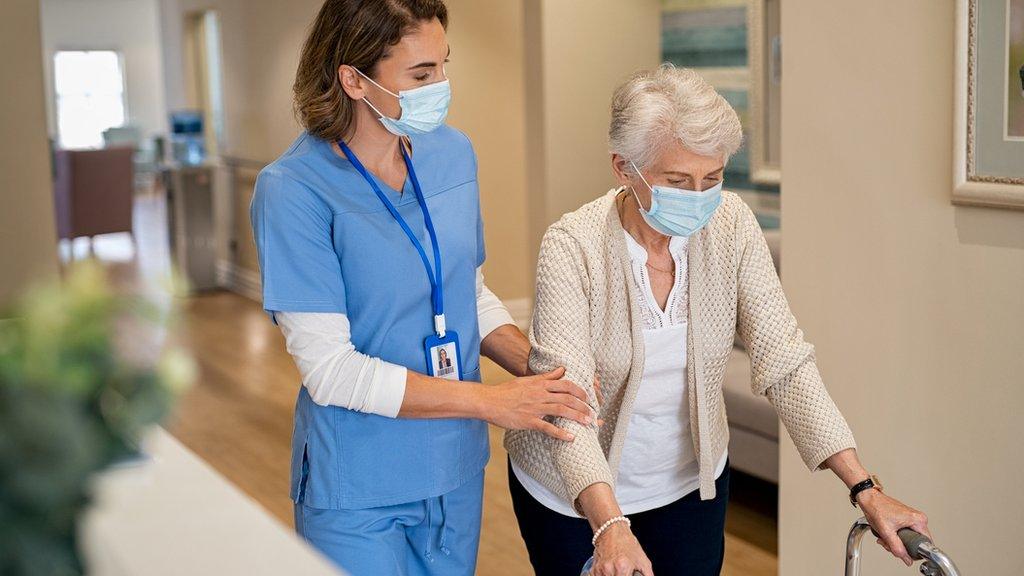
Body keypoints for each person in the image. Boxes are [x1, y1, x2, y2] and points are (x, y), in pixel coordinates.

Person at [504, 65, 932, 576]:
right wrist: (609, 525)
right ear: (624, 167)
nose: (699, 197)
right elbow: (566, 405)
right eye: (677, 180)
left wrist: (864, 488)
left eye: (712, 178)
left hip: (689, 485)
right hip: (572, 495)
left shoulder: (730, 224)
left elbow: (785, 361)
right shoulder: (572, 246)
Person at [249, 1, 593, 574]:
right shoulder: (293, 191)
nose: (442, 86)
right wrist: (492, 401)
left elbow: (468, 292)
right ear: (353, 79)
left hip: (453, 468)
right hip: (358, 481)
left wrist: (536, 368)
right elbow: (329, 369)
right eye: (421, 74)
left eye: (443, 65)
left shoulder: (452, 153)